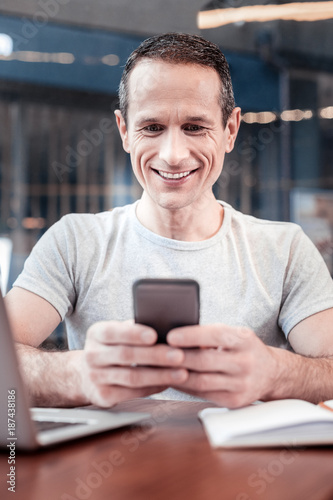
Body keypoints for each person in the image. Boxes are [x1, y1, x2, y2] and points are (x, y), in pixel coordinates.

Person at [5, 33, 333, 409]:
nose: (174, 155)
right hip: (107, 466)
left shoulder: (285, 249)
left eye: (194, 127)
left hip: (237, 465)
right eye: (152, 128)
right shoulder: (74, 242)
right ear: (125, 131)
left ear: (230, 130)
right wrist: (76, 374)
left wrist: (276, 373)